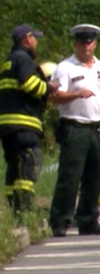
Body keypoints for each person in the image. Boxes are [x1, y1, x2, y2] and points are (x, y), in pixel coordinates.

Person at [48, 24, 100, 237]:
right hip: (75, 127)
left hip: (97, 128)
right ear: (75, 44)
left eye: (89, 42)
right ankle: (60, 220)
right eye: (81, 42)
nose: (85, 46)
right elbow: (54, 97)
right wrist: (75, 95)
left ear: (95, 44)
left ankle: (88, 219)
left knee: (94, 177)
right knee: (70, 176)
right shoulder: (65, 67)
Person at [0, 24, 58, 217]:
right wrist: (49, 88)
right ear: (27, 39)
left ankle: (14, 212)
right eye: (35, 38)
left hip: (8, 127)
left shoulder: (8, 61)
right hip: (24, 125)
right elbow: (29, 84)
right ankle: (24, 211)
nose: (36, 42)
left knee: (14, 171)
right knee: (28, 167)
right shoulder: (23, 59)